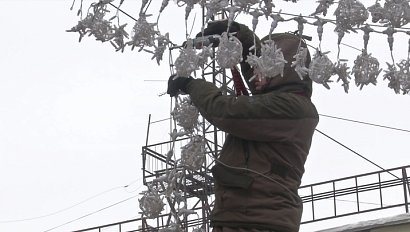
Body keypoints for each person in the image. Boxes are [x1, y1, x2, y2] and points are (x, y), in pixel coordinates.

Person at [166, 20, 319, 232]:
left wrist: (191, 84)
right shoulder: (286, 102)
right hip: (243, 217)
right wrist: (242, 37)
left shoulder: (291, 109)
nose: (256, 74)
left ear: (280, 69)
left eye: (263, 66)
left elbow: (225, 110)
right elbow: (258, 83)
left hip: (257, 221)